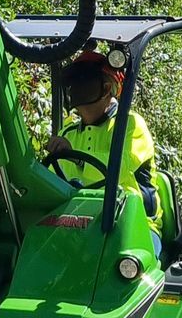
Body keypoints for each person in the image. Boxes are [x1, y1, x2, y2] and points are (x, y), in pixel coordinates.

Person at [46, 48, 168, 237]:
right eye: (73, 82)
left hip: (133, 226)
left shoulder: (130, 125)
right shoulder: (67, 134)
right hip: (79, 225)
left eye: (83, 80)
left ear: (105, 88)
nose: (75, 88)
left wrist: (79, 160)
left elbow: (119, 167)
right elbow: (51, 182)